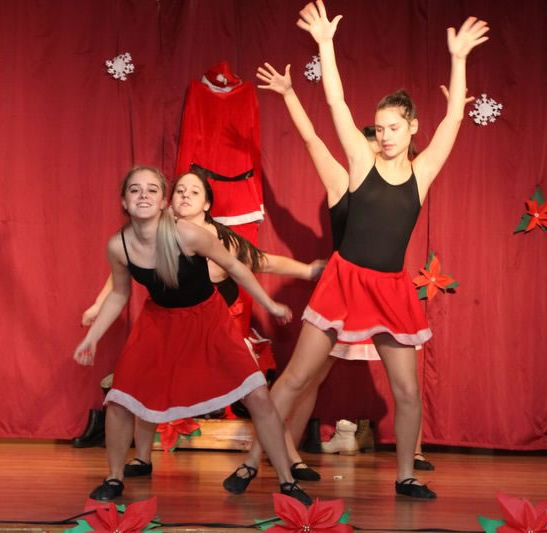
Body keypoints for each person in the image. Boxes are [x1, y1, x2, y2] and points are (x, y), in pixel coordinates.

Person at [224, 1, 488, 499]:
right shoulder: (360, 164)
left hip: (390, 289)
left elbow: (455, 117)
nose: (384, 136)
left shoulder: (422, 173)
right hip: (343, 281)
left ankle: (406, 475)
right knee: (295, 378)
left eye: (394, 128)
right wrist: (325, 44)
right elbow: (336, 103)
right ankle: (251, 461)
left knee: (407, 389)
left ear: (412, 127)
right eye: (379, 128)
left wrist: (458, 59)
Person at [73, 165, 312, 505]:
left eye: (152, 190)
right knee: (120, 399)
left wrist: (269, 304)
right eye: (135, 190)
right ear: (124, 202)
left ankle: (287, 481)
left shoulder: (188, 234)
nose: (143, 195)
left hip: (207, 319)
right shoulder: (119, 246)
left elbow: (235, 266)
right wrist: (92, 337)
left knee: (259, 395)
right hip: (159, 323)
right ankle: (114, 478)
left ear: (163, 202)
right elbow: (118, 294)